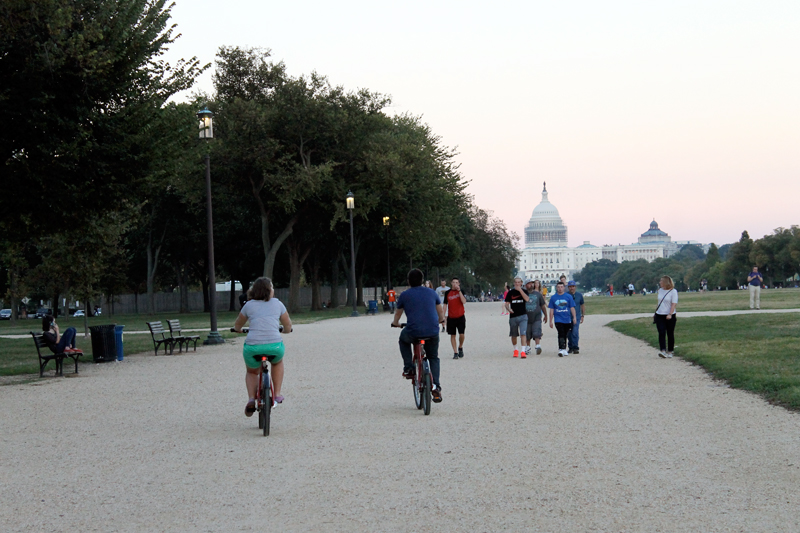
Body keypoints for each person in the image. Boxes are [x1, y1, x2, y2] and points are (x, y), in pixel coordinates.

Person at [233, 277, 292, 417]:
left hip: (253, 347)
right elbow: (287, 324)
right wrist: (286, 330)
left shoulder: (248, 305)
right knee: (277, 362)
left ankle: (251, 399)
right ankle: (277, 394)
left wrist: (238, 330)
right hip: (274, 347)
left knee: (252, 371)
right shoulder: (278, 304)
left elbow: (238, 324)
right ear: (269, 290)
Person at [392, 269, 445, 402]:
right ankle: (436, 386)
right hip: (432, 331)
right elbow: (440, 312)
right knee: (433, 357)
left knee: (403, 340)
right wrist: (440, 320)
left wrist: (395, 323)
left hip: (413, 331)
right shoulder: (432, 293)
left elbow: (398, 314)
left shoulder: (405, 295)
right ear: (422, 280)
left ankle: (409, 367)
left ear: (408, 281)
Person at [548, 281, 576, 357]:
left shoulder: (568, 297)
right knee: (561, 333)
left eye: (561, 287)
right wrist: (550, 320)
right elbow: (551, 310)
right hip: (558, 319)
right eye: (558, 287)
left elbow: (572, 307)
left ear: (564, 287)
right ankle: (561, 349)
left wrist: (574, 317)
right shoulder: (553, 298)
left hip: (567, 319)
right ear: (556, 288)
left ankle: (564, 348)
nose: (560, 289)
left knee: (565, 334)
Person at [504, 277, 530, 358]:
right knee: (514, 334)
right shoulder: (510, 292)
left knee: (523, 333)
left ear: (521, 283)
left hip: (523, 315)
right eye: (516, 282)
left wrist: (520, 290)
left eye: (519, 282)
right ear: (514, 283)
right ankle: (515, 349)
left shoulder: (524, 291)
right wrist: (508, 309)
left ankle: (523, 351)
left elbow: (527, 299)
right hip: (513, 316)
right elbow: (506, 303)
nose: (517, 284)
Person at [654, 275, 679, 358]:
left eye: (661, 281)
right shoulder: (660, 290)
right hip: (659, 314)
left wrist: (670, 314)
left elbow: (674, 303)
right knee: (661, 332)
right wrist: (655, 312)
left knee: (670, 333)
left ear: (666, 282)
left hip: (669, 315)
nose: (660, 282)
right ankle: (663, 350)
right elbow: (659, 302)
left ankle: (670, 351)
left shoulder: (673, 291)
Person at [443, 277, 467, 359]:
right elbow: (445, 305)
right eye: (453, 282)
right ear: (451, 283)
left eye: (456, 282)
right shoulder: (447, 293)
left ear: (459, 284)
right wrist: (443, 316)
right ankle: (455, 352)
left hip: (460, 317)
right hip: (451, 317)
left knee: (462, 334)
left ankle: (460, 346)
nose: (455, 284)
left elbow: (464, 301)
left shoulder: (461, 291)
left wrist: (459, 291)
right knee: (452, 335)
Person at [523, 279, 547, 356]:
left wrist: (546, 315)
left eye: (532, 284)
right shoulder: (523, 294)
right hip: (526, 317)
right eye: (529, 284)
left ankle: (538, 346)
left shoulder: (538, 294)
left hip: (536, 316)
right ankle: (528, 347)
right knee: (527, 333)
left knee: (537, 331)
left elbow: (542, 305)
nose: (531, 285)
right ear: (526, 285)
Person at [566, 281, 585, 354]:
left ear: (575, 287)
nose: (572, 288)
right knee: (569, 333)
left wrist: (582, 315)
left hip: (576, 316)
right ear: (568, 287)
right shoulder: (566, 295)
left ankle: (575, 346)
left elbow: (582, 305)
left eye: (573, 286)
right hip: (567, 316)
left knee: (575, 331)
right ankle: (570, 346)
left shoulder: (579, 295)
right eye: (570, 287)